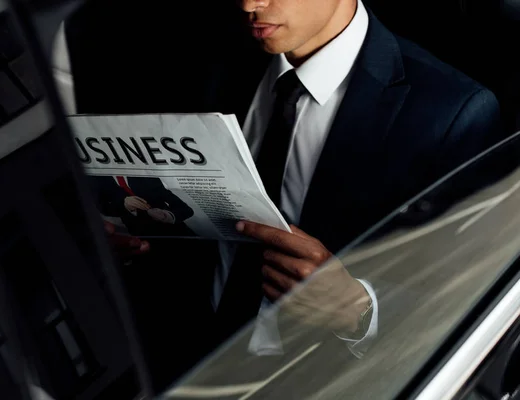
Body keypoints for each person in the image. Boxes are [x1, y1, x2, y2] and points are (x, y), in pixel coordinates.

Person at [66, 0, 506, 391]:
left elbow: (465, 297)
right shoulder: (208, 57)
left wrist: (357, 309)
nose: (248, 4)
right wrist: (131, 235)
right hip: (180, 360)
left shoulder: (450, 112)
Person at [89, 175, 196, 237]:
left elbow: (186, 210)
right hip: (143, 238)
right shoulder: (97, 178)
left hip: (177, 234)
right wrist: (124, 205)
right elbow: (102, 207)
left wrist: (167, 216)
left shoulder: (145, 176)